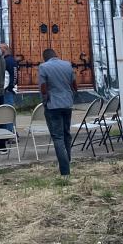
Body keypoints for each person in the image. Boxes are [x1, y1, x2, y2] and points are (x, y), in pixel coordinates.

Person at [38, 48, 77, 177]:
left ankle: (65, 171)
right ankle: (67, 160)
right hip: (67, 103)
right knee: (66, 134)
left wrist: (45, 101)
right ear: (56, 55)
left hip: (53, 105)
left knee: (58, 137)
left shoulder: (43, 67)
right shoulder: (67, 65)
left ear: (45, 58)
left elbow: (43, 89)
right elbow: (74, 85)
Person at [0, 43, 17, 133]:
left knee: (8, 112)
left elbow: (14, 75)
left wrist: (9, 88)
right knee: (7, 112)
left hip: (7, 91)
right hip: (6, 90)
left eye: (0, 47)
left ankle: (10, 133)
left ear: (5, 49)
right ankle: (12, 132)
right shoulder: (7, 60)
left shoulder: (9, 60)